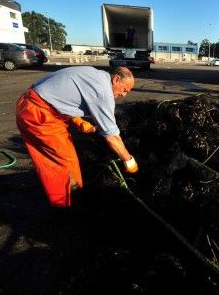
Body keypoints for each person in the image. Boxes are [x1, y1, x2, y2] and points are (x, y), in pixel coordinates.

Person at [16, 66, 138, 208]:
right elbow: (112, 136)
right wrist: (128, 160)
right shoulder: (103, 91)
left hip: (27, 105)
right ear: (116, 79)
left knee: (48, 160)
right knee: (66, 163)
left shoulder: (94, 74)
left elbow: (63, 91)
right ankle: (65, 205)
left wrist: (78, 120)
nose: (124, 95)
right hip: (39, 115)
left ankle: (61, 199)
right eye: (124, 90)